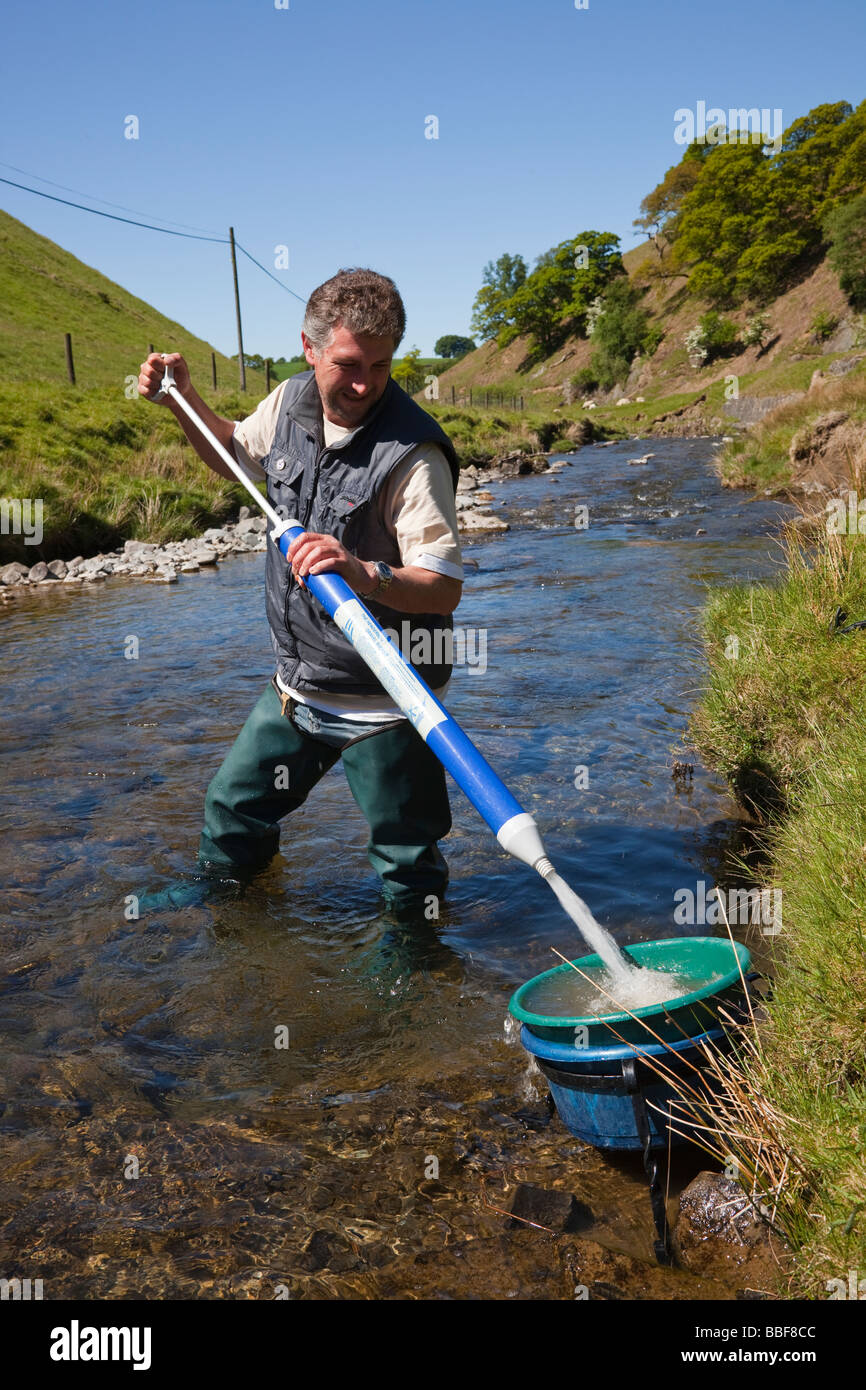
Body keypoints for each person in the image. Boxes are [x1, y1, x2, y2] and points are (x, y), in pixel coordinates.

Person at [138, 268, 463, 913]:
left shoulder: (414, 456)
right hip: (299, 681)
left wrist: (362, 571)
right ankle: (228, 896)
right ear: (309, 349)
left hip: (390, 696)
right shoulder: (288, 403)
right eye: (347, 364)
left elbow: (443, 589)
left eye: (381, 364)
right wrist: (181, 400)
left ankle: (413, 948)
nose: (366, 383)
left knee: (405, 855)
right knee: (234, 810)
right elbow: (234, 451)